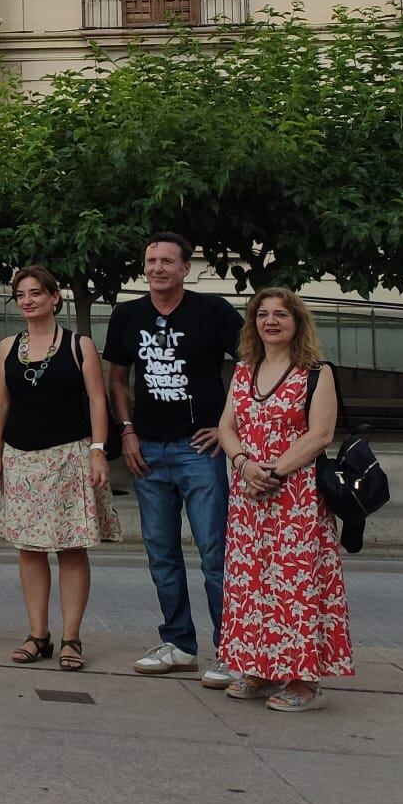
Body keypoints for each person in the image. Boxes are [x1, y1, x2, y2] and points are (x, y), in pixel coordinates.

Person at [103, 231, 245, 686]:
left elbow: (251, 366)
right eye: (151, 261)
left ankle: (232, 650)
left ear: (186, 268)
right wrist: (125, 431)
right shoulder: (128, 315)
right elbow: (118, 380)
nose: (158, 268)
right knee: (161, 553)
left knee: (214, 554)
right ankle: (180, 644)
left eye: (168, 261)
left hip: (199, 451)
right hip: (147, 451)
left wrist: (228, 427)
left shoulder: (213, 312)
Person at [216, 289, 352, 712]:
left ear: (297, 322)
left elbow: (320, 435)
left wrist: (273, 471)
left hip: (296, 498)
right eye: (262, 314)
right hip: (249, 497)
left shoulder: (315, 371)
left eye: (280, 314)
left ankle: (304, 681)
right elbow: (225, 426)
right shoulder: (243, 370)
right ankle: (258, 668)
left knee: (297, 586)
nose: (270, 321)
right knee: (251, 584)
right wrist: (242, 464)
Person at [0, 267, 118, 671]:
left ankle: (71, 638)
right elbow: (0, 403)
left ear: (54, 297)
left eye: (36, 293)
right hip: (21, 457)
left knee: (71, 547)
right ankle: (37, 634)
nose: (27, 301)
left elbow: (98, 399)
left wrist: (98, 450)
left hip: (69, 455)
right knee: (29, 550)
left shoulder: (80, 346)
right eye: (21, 295)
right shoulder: (8, 346)